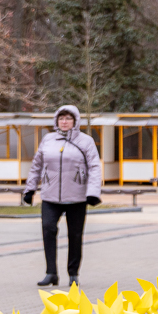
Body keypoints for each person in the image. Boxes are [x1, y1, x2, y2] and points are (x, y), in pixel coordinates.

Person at [22, 105, 102, 287]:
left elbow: (95, 168)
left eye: (68, 118)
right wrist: (30, 189)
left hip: (77, 197)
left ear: (75, 121)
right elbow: (36, 165)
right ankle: (51, 272)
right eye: (61, 118)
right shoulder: (48, 140)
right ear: (56, 121)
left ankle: (73, 273)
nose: (64, 122)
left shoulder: (86, 141)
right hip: (50, 196)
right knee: (48, 230)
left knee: (75, 235)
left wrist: (92, 193)